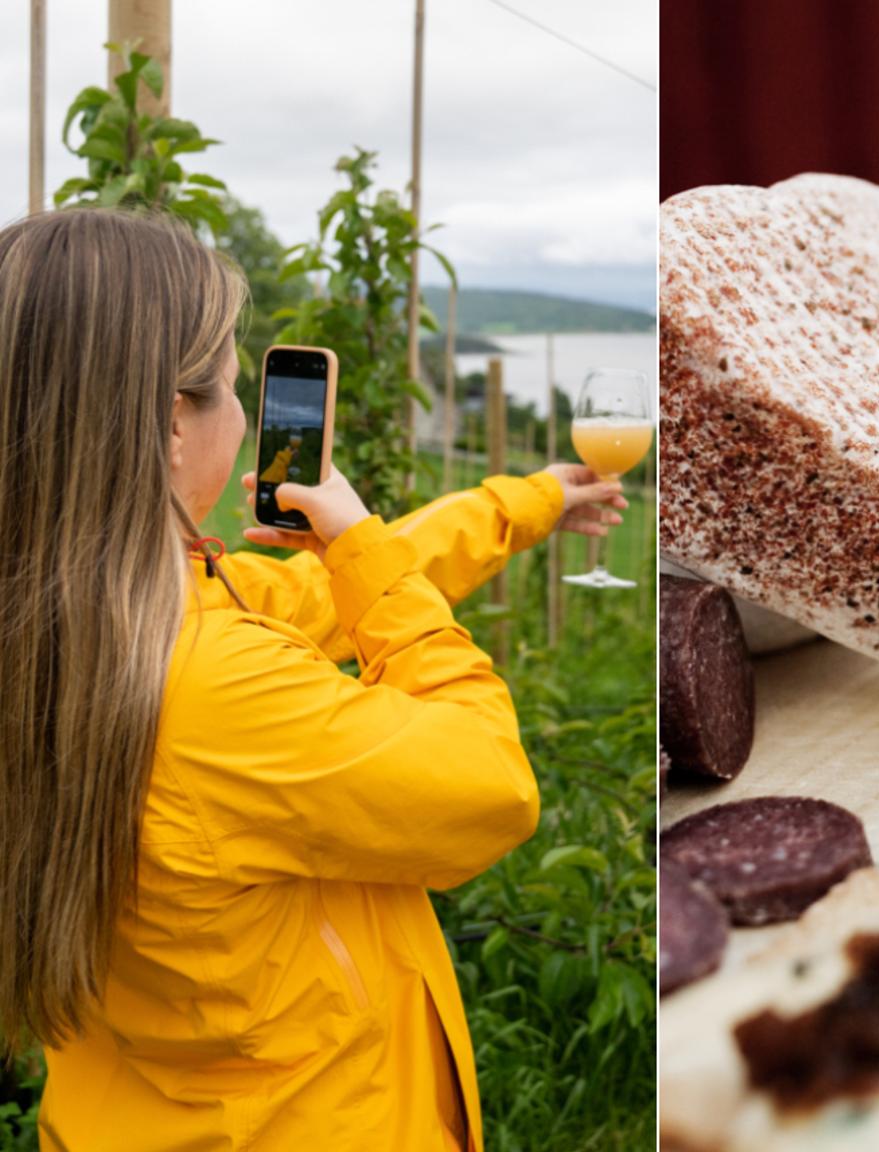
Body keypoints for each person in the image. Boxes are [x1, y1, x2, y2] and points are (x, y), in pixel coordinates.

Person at [0, 208, 628, 1150]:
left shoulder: (80, 623)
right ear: (175, 423)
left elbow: (324, 593)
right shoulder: (215, 687)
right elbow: (492, 782)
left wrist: (523, 503)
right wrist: (362, 550)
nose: (249, 413)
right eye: (227, 381)